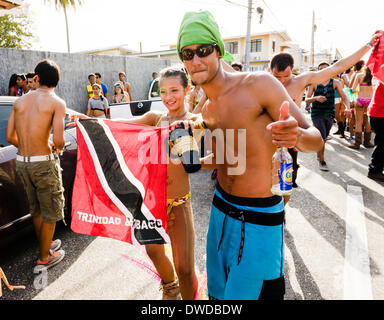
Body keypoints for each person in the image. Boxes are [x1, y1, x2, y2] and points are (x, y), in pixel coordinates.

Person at [175, 10, 324, 300]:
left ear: (218, 50)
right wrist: (184, 156)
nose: (195, 60)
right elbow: (224, 160)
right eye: (187, 53)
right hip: (220, 213)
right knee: (218, 296)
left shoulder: (259, 85)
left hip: (259, 219)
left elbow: (317, 142)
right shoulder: (207, 109)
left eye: (203, 50)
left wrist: (297, 136)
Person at [72, 66, 200, 300]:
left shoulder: (193, 121)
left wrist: (192, 129)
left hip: (179, 203)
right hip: (150, 203)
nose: (168, 96)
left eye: (174, 90)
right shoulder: (156, 118)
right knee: (153, 251)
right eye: (163, 91)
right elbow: (121, 126)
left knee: (185, 266)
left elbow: (199, 154)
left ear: (187, 89)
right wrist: (88, 122)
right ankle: (171, 287)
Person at [6, 59, 66, 271]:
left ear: (37, 78)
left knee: (37, 210)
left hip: (22, 162)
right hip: (43, 163)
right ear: (56, 81)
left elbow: (9, 136)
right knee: (50, 210)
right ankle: (43, 258)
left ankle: (46, 245)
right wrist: (54, 146)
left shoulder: (19, 102)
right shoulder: (57, 102)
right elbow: (58, 141)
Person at [305, 61, 351, 171]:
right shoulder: (314, 83)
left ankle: (319, 152)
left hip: (330, 114)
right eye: (321, 69)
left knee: (323, 137)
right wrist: (316, 98)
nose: (324, 70)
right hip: (317, 113)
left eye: (326, 68)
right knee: (322, 137)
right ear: (319, 71)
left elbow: (344, 96)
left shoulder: (335, 82)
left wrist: (348, 108)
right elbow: (306, 99)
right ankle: (322, 161)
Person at [349, 66, 374, 149]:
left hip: (360, 100)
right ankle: (367, 142)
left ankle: (357, 143)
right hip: (370, 100)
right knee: (367, 122)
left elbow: (352, 89)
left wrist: (359, 90)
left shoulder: (359, 75)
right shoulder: (375, 76)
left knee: (358, 122)